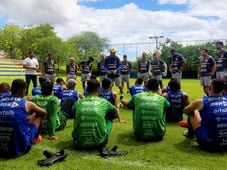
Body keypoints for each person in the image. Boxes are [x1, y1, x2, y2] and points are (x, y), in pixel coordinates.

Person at [0, 79, 46, 157]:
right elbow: (44, 112)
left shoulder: (1, 101)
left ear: (11, 89)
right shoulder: (27, 103)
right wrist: (33, 114)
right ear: (23, 90)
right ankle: (36, 138)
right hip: (18, 148)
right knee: (39, 115)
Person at [71, 79, 118, 150]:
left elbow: (73, 110)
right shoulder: (104, 102)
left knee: (78, 113)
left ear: (87, 90)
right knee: (111, 115)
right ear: (98, 90)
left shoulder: (79, 102)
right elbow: (115, 110)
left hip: (78, 142)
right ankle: (102, 133)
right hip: (99, 143)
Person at [183, 79, 227, 151]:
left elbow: (185, 111)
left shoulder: (201, 101)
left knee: (192, 111)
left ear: (209, 88)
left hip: (209, 143)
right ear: (223, 89)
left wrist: (197, 112)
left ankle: (189, 133)